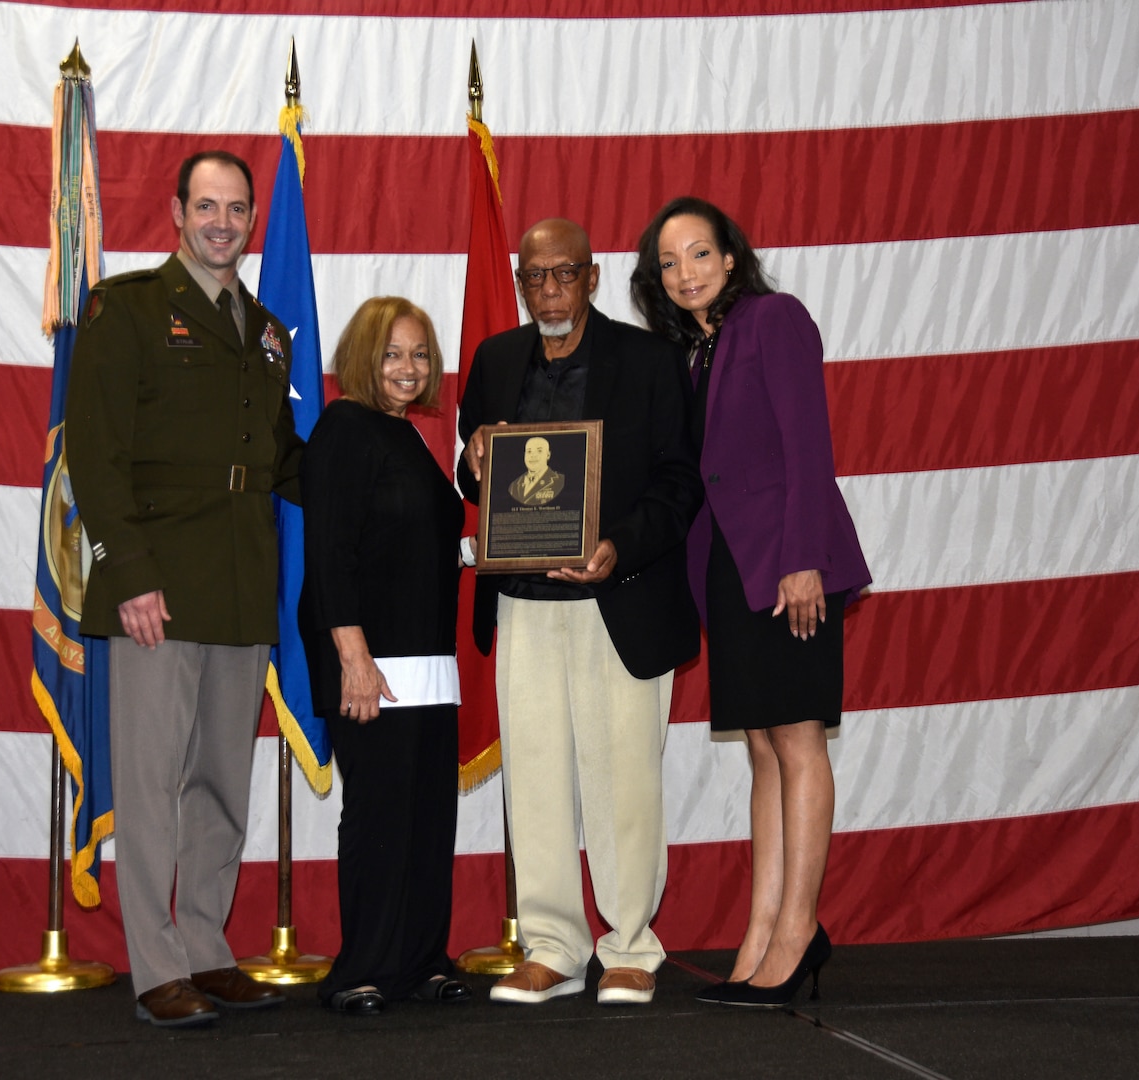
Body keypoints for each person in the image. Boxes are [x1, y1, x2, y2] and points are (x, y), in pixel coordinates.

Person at [65, 150, 303, 1027]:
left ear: (250, 219)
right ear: (175, 211)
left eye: (236, 209)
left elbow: (284, 460)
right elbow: (94, 450)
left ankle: (206, 944)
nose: (221, 223)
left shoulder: (268, 331)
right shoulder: (126, 308)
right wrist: (128, 572)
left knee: (220, 782)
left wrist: (380, 466)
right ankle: (156, 965)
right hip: (156, 581)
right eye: (206, 206)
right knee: (154, 779)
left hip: (240, 579)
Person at [630, 196, 872, 1008]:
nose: (686, 273)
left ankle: (799, 931)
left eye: (700, 254)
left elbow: (811, 447)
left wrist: (801, 559)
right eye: (670, 263)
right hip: (730, 572)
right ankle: (762, 932)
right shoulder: (691, 353)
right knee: (765, 749)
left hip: (786, 564)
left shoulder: (775, 320)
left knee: (798, 741)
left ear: (731, 257)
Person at [458, 218, 703, 1006]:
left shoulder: (649, 361)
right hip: (525, 604)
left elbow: (679, 482)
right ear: (522, 281)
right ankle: (554, 945)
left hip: (615, 599)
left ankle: (630, 944)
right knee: (532, 781)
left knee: (622, 777)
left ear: (593, 278)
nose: (551, 292)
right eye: (536, 278)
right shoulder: (496, 360)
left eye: (565, 275)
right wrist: (472, 462)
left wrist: (618, 547)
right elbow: (477, 478)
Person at [298, 297, 470, 1014]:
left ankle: (422, 959)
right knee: (377, 815)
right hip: (370, 661)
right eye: (395, 353)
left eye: (421, 354)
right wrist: (353, 658)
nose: (409, 368)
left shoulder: (409, 438)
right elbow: (330, 553)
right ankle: (363, 968)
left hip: (429, 661)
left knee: (429, 814)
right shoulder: (344, 429)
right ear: (366, 359)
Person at [507, 436, 565, 505]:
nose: (533, 455)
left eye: (539, 451)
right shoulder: (514, 486)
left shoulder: (560, 481)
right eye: (529, 451)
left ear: (548, 455)